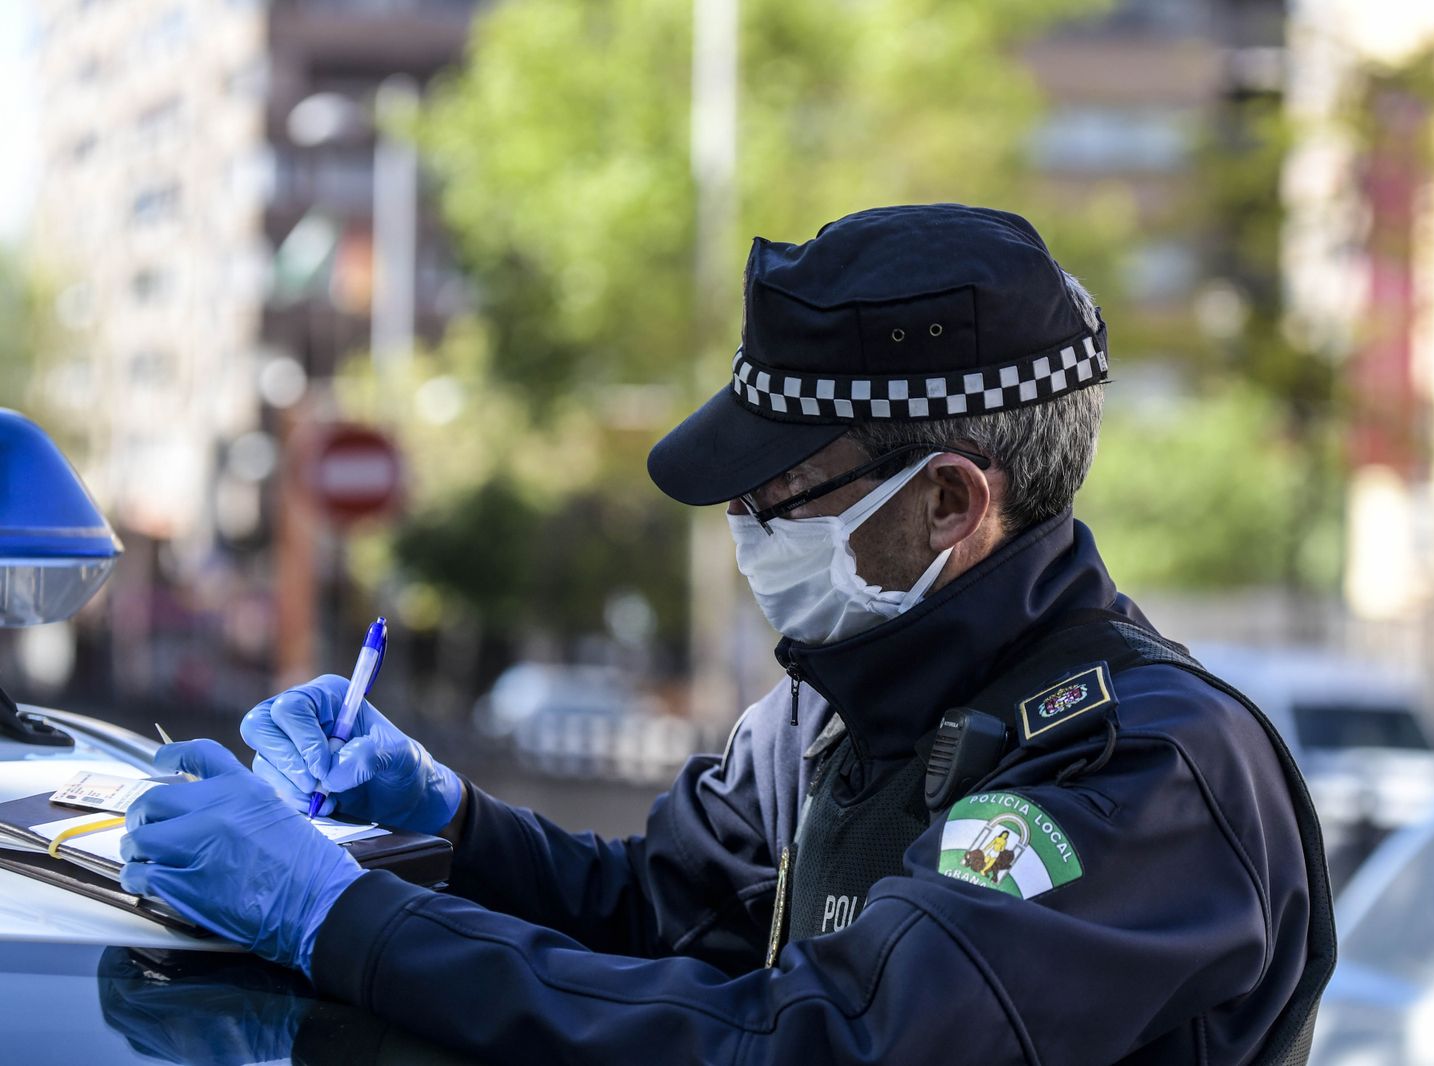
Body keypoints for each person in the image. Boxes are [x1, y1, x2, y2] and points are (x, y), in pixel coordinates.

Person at [119, 204, 1333, 1065]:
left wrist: (335, 918)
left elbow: (830, 1040)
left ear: (950, 502)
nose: (745, 527)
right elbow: (663, 912)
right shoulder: (840, 700)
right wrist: (449, 816)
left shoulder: (1144, 769)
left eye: (780, 493)